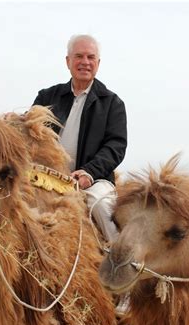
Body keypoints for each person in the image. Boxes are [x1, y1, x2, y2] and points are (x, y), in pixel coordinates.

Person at [33, 34, 127, 243]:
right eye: (79, 56)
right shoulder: (47, 97)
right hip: (46, 178)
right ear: (68, 61)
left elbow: (115, 146)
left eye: (90, 57)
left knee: (100, 205)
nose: (85, 62)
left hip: (94, 180)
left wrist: (89, 173)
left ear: (98, 63)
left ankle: (123, 264)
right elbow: (32, 132)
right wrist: (15, 123)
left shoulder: (112, 103)